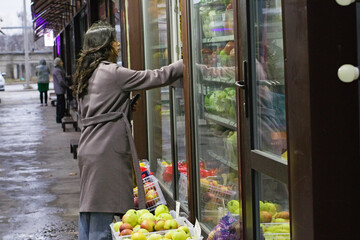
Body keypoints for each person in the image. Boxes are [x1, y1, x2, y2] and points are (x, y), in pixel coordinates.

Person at [72, 21, 183, 240]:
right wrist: (184, 62)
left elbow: (98, 109)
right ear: (105, 45)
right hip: (105, 151)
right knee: (102, 219)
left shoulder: (86, 74)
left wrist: (124, 106)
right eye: (114, 40)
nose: (118, 44)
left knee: (90, 210)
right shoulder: (112, 72)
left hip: (89, 147)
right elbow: (154, 76)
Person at [53, 57, 68, 123]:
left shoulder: (56, 70)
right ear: (58, 63)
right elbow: (61, 81)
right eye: (61, 62)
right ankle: (59, 117)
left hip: (58, 89)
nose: (62, 63)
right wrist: (66, 86)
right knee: (60, 104)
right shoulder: (58, 70)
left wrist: (66, 78)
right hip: (60, 89)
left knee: (60, 103)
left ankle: (59, 117)